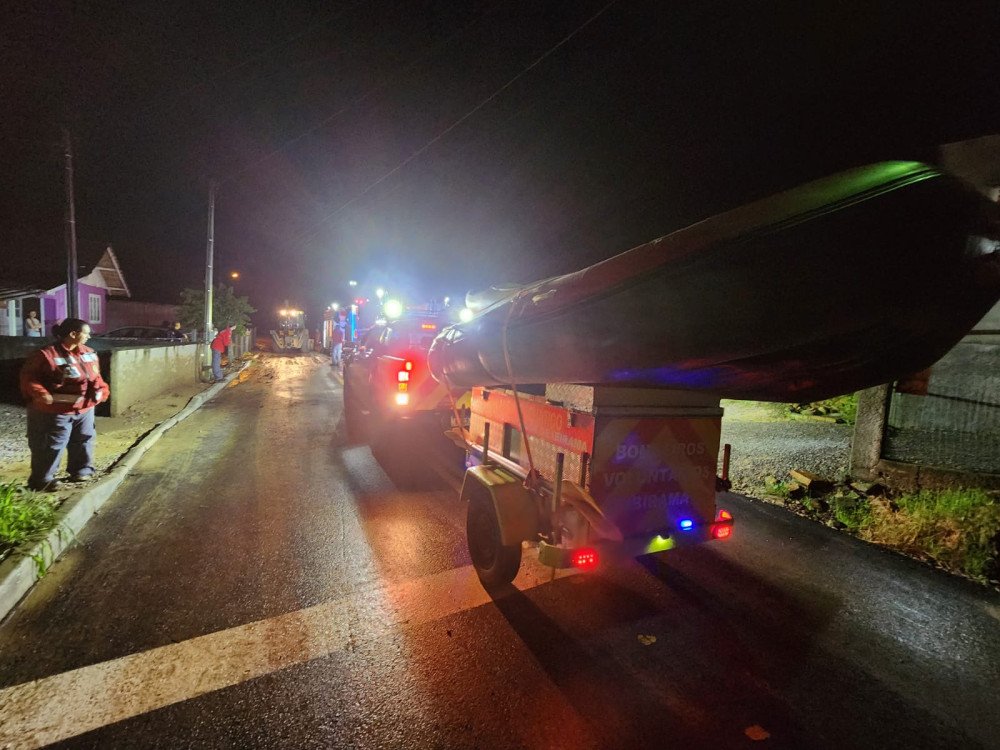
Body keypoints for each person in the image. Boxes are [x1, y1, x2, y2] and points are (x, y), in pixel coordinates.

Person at [19, 318, 110, 492]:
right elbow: (29, 378)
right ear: (73, 334)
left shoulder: (89, 353)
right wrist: (41, 394)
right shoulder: (46, 354)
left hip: (85, 409)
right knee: (51, 445)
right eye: (86, 333)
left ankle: (81, 471)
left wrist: (103, 390)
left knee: (84, 439)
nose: (89, 336)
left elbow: (96, 377)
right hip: (55, 411)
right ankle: (42, 480)